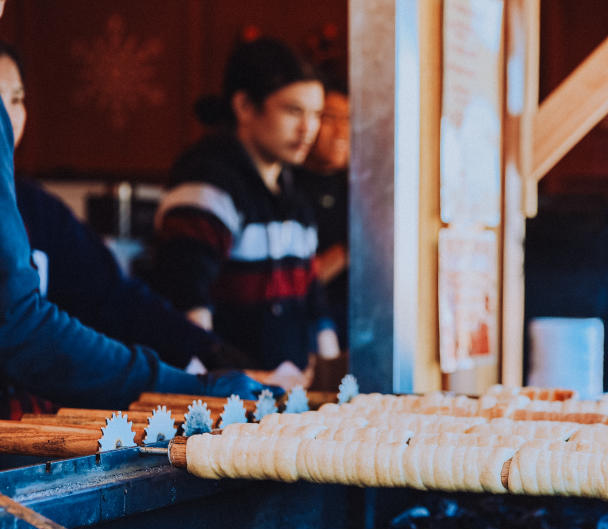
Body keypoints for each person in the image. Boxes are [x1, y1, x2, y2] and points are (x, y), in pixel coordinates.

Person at [0, 1, 263, 413]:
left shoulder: (38, 207)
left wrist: (209, 353)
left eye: (16, 99)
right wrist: (177, 386)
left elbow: (112, 295)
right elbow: (16, 326)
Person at [145, 37, 339, 373]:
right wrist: (208, 387)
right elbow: (186, 301)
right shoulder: (207, 181)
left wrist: (332, 374)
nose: (309, 128)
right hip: (226, 402)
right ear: (245, 106)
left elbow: (313, 298)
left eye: (316, 114)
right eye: (293, 111)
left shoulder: (292, 194)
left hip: (280, 399)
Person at [294, 73, 349, 342]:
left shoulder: (361, 189)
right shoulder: (287, 184)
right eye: (331, 118)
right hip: (301, 323)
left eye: (349, 120)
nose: (341, 131)